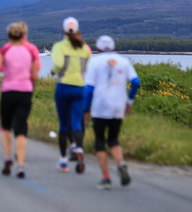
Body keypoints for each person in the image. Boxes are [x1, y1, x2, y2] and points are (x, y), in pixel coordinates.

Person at [84, 35, 141, 190]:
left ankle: (106, 178)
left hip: (100, 107)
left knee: (100, 141)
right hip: (118, 106)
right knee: (114, 140)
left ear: (97, 49)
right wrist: (129, 102)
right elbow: (136, 82)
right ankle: (120, 163)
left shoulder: (94, 62)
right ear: (114, 47)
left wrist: (86, 109)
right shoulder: (124, 61)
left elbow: (89, 89)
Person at [0, 21, 40, 179]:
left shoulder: (4, 50)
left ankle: (7, 157)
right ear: (23, 35)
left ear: (8, 36)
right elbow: (34, 76)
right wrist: (28, 83)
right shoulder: (30, 51)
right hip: (25, 92)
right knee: (21, 128)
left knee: (5, 126)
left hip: (8, 91)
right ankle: (21, 165)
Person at [51, 17, 92, 174]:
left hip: (63, 87)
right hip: (80, 88)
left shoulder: (59, 47)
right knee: (76, 122)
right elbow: (88, 67)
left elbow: (59, 65)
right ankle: (78, 148)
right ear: (77, 30)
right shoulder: (85, 48)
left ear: (63, 31)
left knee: (63, 124)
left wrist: (54, 71)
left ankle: (63, 161)